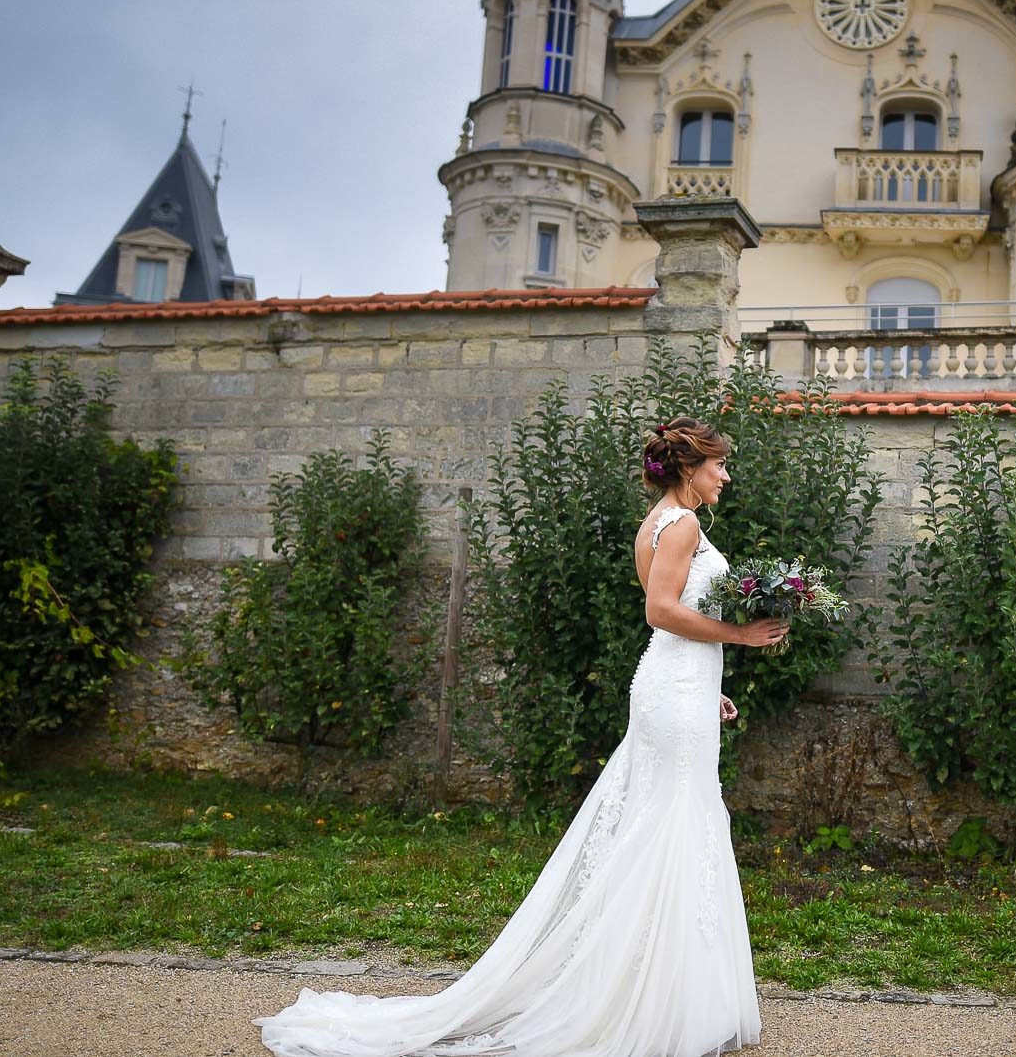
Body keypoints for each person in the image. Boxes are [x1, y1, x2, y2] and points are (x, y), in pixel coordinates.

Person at [255, 416, 788, 1057]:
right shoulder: (684, 524)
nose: (725, 475)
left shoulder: (654, 525)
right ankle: (651, 1005)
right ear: (688, 468)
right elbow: (661, 611)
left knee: (667, 823)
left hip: (675, 688)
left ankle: (662, 995)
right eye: (718, 464)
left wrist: (709, 686)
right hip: (671, 693)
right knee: (672, 826)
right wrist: (740, 636)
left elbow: (669, 623)